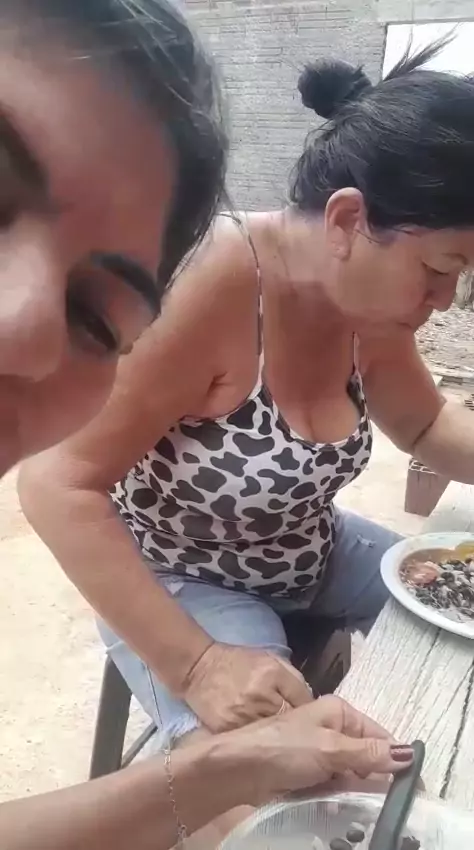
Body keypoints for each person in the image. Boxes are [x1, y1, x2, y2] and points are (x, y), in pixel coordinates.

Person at [0, 1, 415, 848]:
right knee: (275, 808)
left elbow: (427, 420)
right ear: (349, 223)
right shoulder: (226, 282)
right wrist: (196, 667)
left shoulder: (376, 308)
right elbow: (59, 483)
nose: (27, 333)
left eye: (95, 317)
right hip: (186, 570)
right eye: (442, 266)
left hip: (309, 551)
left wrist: (214, 772)